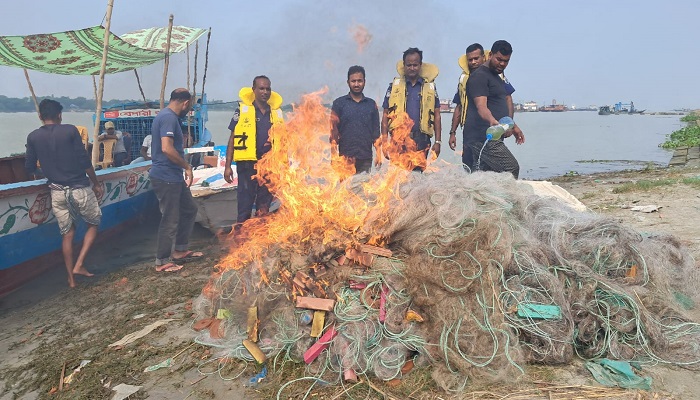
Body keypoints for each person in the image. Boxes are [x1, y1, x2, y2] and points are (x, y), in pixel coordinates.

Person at [24, 99, 104, 288]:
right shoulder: (70, 130)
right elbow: (84, 162)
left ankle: (71, 280)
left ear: (40, 116)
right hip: (79, 189)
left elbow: (29, 168)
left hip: (57, 192)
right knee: (93, 223)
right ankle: (80, 264)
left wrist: (50, 172)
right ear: (59, 115)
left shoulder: (33, 137)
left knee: (67, 234)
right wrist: (96, 183)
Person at [150, 88, 203, 272]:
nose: (189, 110)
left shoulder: (168, 116)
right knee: (170, 218)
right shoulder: (169, 118)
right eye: (190, 106)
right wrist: (187, 166)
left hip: (173, 176)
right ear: (186, 103)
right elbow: (166, 148)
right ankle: (162, 261)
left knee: (189, 209)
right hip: (165, 176)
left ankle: (180, 250)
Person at [223, 76, 284, 228]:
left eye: (268, 88)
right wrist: (228, 166)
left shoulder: (276, 113)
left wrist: (284, 166)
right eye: (261, 88)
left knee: (264, 208)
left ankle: (259, 241)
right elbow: (232, 139)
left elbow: (283, 142)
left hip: (269, 166)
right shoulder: (242, 111)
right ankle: (240, 239)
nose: (265, 92)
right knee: (244, 206)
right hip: (247, 165)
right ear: (254, 90)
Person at [449, 43, 522, 170]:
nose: (502, 64)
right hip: (481, 137)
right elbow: (481, 107)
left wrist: (513, 126)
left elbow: (504, 100)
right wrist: (492, 121)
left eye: (506, 61)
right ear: (490, 55)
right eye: (499, 59)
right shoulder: (479, 77)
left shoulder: (496, 76)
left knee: (488, 174)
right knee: (510, 168)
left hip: (494, 134)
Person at [381, 47, 442, 171]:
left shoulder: (430, 88)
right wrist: (384, 141)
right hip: (398, 141)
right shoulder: (393, 87)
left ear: (420, 65)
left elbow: (437, 115)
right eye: (409, 65)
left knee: (417, 180)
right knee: (397, 178)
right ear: (404, 65)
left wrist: (438, 141)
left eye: (415, 65)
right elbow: (385, 115)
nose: (412, 68)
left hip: (421, 141)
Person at [330, 65, 380, 175]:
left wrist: (379, 154)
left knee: (362, 190)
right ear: (348, 82)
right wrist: (333, 156)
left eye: (359, 81)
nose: (356, 84)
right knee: (345, 190)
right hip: (345, 158)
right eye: (353, 81)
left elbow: (376, 133)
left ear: (364, 82)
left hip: (365, 158)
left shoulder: (371, 105)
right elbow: (333, 133)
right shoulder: (339, 104)